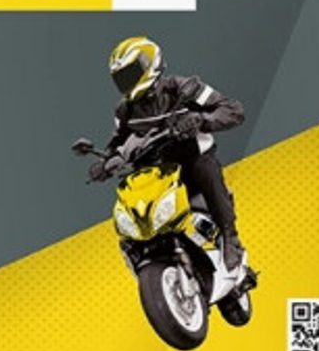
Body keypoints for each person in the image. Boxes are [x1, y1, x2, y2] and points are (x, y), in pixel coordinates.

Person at [93, 36, 247, 271]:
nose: (126, 83)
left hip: (191, 160)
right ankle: (139, 254)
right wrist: (105, 162)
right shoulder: (124, 110)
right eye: (121, 78)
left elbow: (233, 110)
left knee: (205, 168)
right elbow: (117, 142)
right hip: (155, 171)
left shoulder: (183, 88)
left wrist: (202, 119)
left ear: (150, 65)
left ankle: (230, 237)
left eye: (130, 74)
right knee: (129, 202)